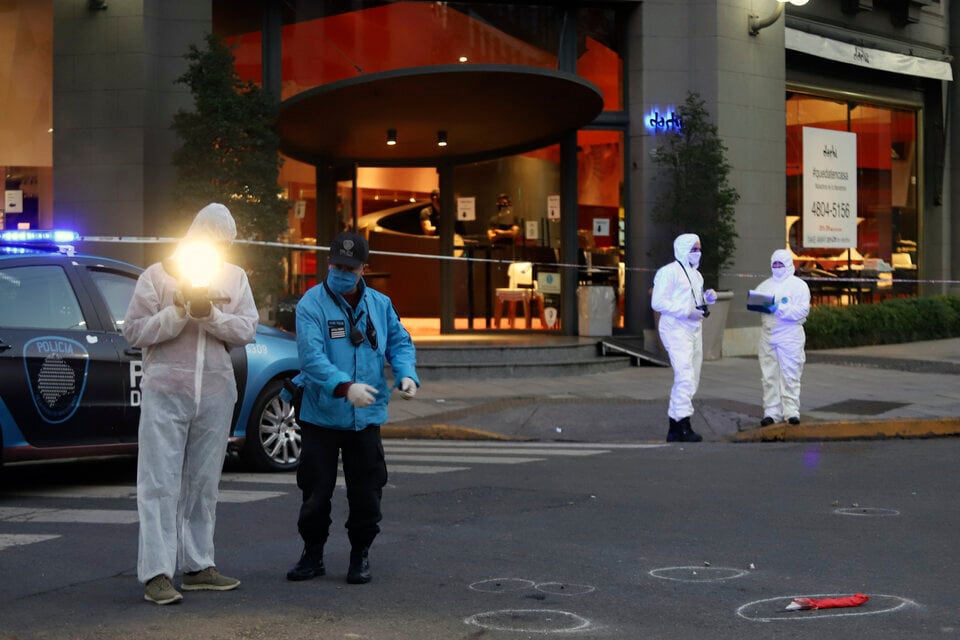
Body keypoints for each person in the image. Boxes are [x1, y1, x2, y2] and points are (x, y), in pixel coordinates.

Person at [123, 203, 259, 605]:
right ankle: (157, 574)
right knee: (159, 483)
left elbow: (246, 329)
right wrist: (178, 311)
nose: (218, 249)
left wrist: (210, 314)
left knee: (203, 485)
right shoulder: (157, 277)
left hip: (216, 394)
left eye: (224, 245)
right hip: (166, 393)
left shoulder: (234, 278)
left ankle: (198, 565)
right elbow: (135, 331)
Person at [286, 231, 419, 585]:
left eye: (350, 267)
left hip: (367, 417)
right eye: (337, 265)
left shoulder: (380, 304)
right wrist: (344, 387)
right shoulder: (311, 304)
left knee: (367, 494)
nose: (342, 271)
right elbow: (311, 359)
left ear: (364, 269)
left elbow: (400, 343)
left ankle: (360, 555)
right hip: (322, 416)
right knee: (315, 493)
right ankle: (312, 554)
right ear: (330, 263)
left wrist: (407, 375)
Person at [651, 233, 717, 443]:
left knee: (692, 377)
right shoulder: (668, 272)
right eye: (693, 249)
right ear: (682, 249)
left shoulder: (696, 276)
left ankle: (675, 426)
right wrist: (686, 311)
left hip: (693, 328)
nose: (697, 253)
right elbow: (658, 302)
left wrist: (706, 299)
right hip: (675, 328)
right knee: (685, 375)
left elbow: (695, 300)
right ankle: (683, 424)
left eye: (699, 249)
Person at [754, 248, 811, 426]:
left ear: (788, 265)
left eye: (781, 264)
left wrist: (778, 308)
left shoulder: (799, 285)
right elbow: (756, 304)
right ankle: (771, 411)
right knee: (769, 375)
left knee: (790, 374)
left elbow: (802, 311)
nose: (777, 267)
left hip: (790, 335)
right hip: (768, 334)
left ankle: (791, 411)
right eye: (775, 264)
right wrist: (763, 306)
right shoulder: (764, 286)